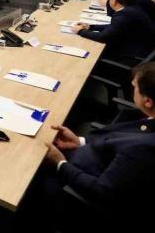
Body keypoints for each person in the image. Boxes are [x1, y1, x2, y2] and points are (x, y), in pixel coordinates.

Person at [34, 62, 155, 228]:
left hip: (74, 186)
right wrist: (80, 142)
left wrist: (60, 163)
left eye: (135, 87)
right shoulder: (149, 120)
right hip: (89, 156)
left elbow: (101, 190)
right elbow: (118, 141)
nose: (132, 88)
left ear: (147, 101)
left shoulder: (143, 148)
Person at [73, 0, 154, 60]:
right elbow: (114, 27)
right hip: (143, 48)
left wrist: (80, 31)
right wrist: (91, 26)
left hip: (131, 54)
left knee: (87, 49)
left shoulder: (124, 15)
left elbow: (103, 37)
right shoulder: (133, 7)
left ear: (114, 1)